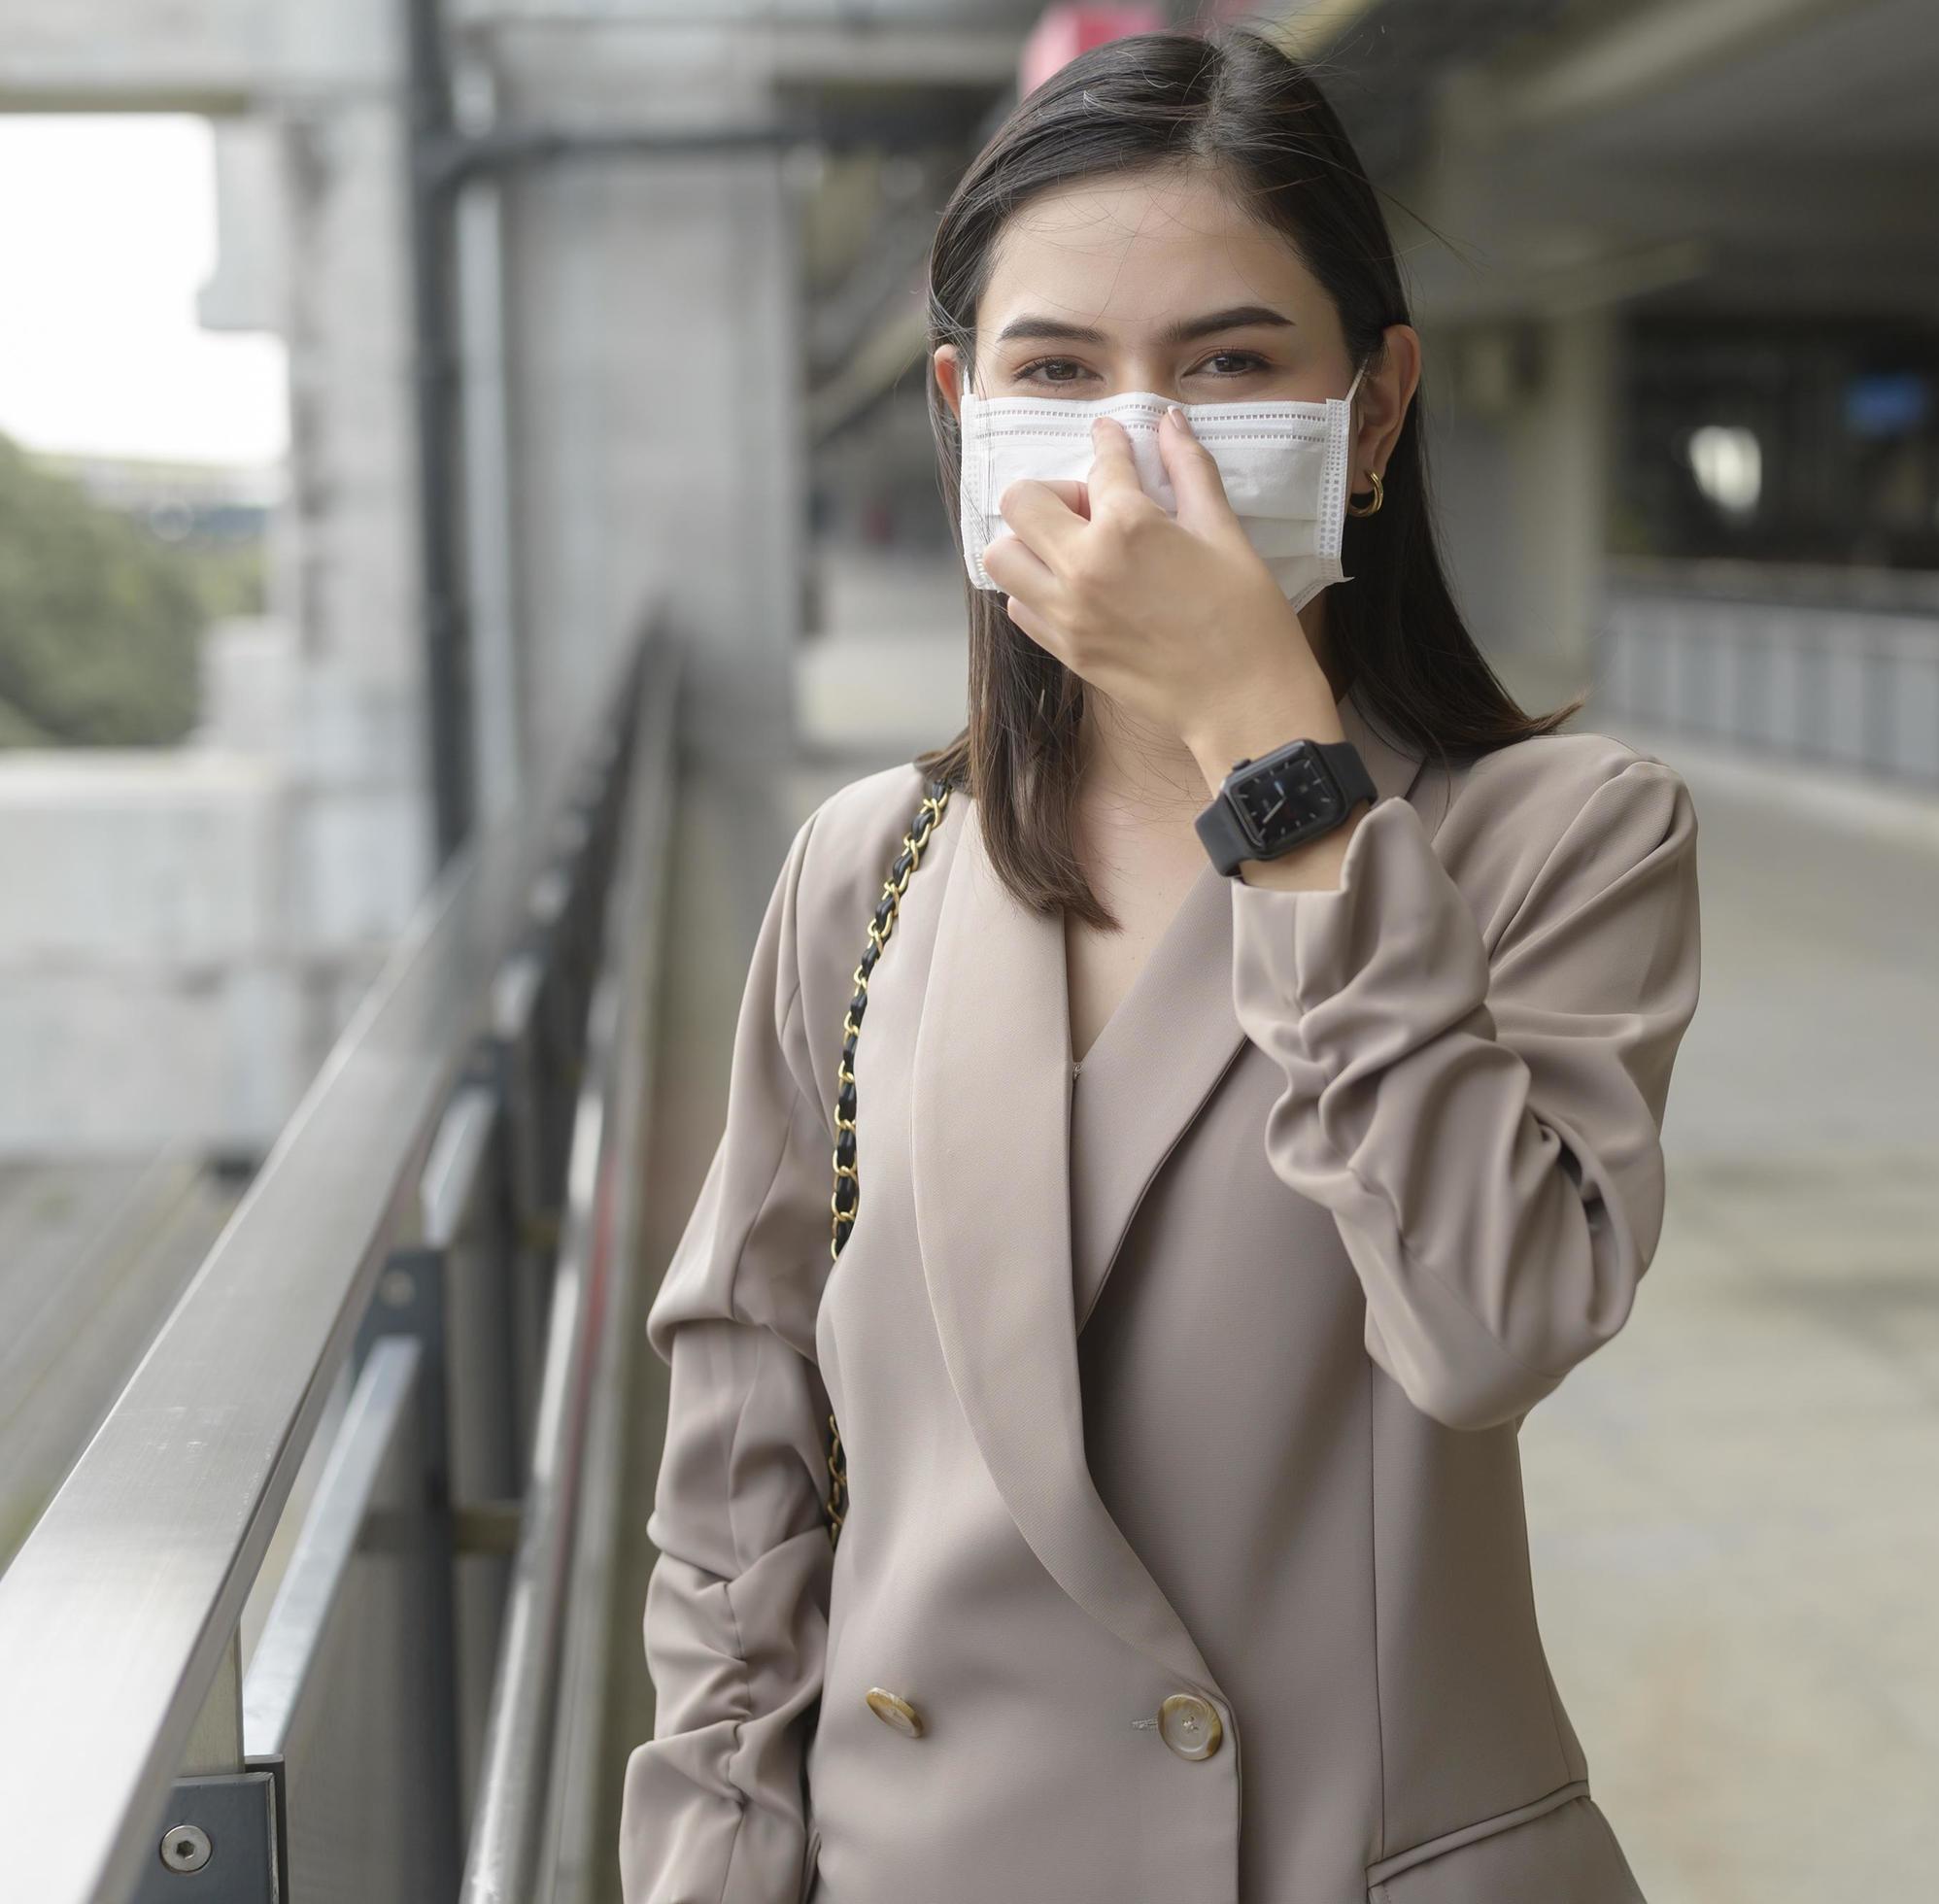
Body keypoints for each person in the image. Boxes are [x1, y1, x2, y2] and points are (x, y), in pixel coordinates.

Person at [621, 27, 1702, 1904]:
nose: (1140, 438)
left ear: (1369, 414)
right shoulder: (866, 866)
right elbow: (742, 1458)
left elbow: (1488, 1327)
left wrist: (1270, 759)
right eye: (1059, 370)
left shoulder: (1557, 833)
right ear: (965, 414)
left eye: (1227, 362)